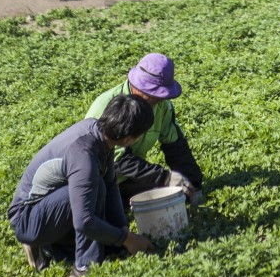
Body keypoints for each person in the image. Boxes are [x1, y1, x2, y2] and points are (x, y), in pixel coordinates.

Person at [9, 94, 154, 277]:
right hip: (27, 219)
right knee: (95, 188)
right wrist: (127, 239)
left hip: (49, 205)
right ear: (128, 138)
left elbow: (111, 185)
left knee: (101, 190)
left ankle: (54, 247)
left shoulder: (102, 134)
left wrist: (123, 231)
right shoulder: (84, 156)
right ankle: (82, 270)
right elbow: (84, 221)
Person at [86, 53, 203, 206]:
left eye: (162, 96)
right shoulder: (108, 105)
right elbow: (117, 160)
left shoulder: (162, 106)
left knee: (175, 193)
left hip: (129, 179)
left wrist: (193, 184)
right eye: (154, 96)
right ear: (137, 86)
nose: (159, 100)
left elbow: (176, 147)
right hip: (100, 183)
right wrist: (164, 178)